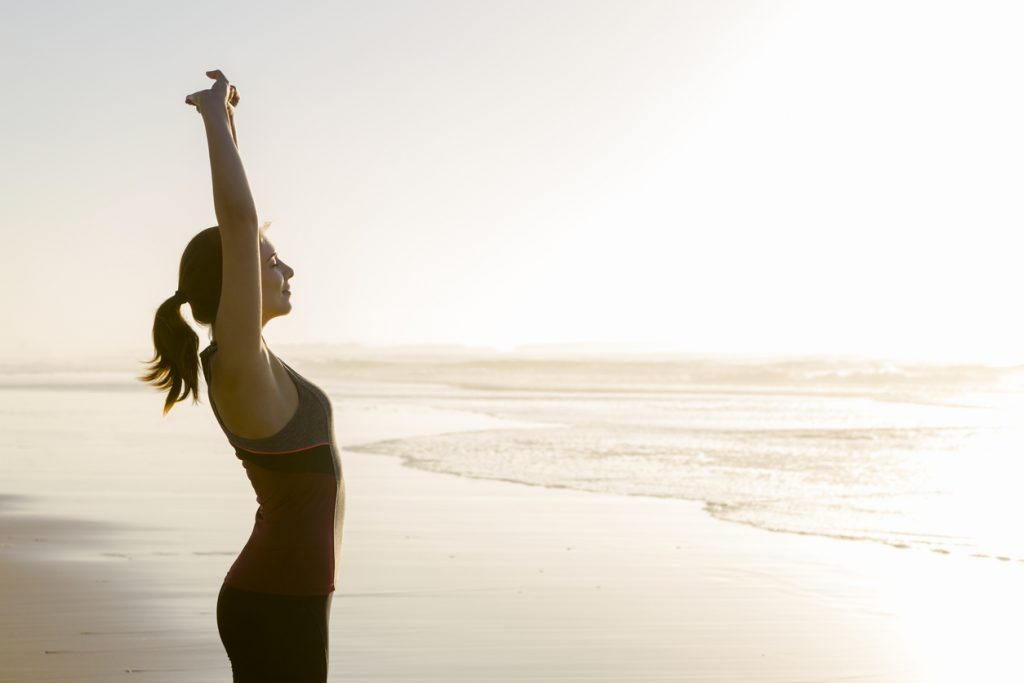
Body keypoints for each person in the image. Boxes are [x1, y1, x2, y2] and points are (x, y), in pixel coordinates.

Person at [138, 70, 344, 682]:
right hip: (276, 599)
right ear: (235, 285)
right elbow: (237, 218)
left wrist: (228, 119)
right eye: (271, 261)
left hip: (294, 596)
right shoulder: (238, 363)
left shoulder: (253, 359)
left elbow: (241, 229)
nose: (288, 270)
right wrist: (210, 119)